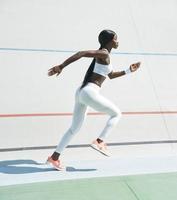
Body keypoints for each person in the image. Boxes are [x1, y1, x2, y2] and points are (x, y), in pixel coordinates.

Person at [46, 29, 141, 170]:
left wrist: (128, 70)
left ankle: (54, 158)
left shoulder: (104, 56)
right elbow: (81, 53)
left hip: (81, 93)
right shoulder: (103, 53)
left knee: (74, 129)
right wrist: (61, 66)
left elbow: (111, 75)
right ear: (109, 41)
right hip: (89, 92)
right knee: (116, 114)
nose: (117, 41)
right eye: (116, 38)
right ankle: (99, 141)